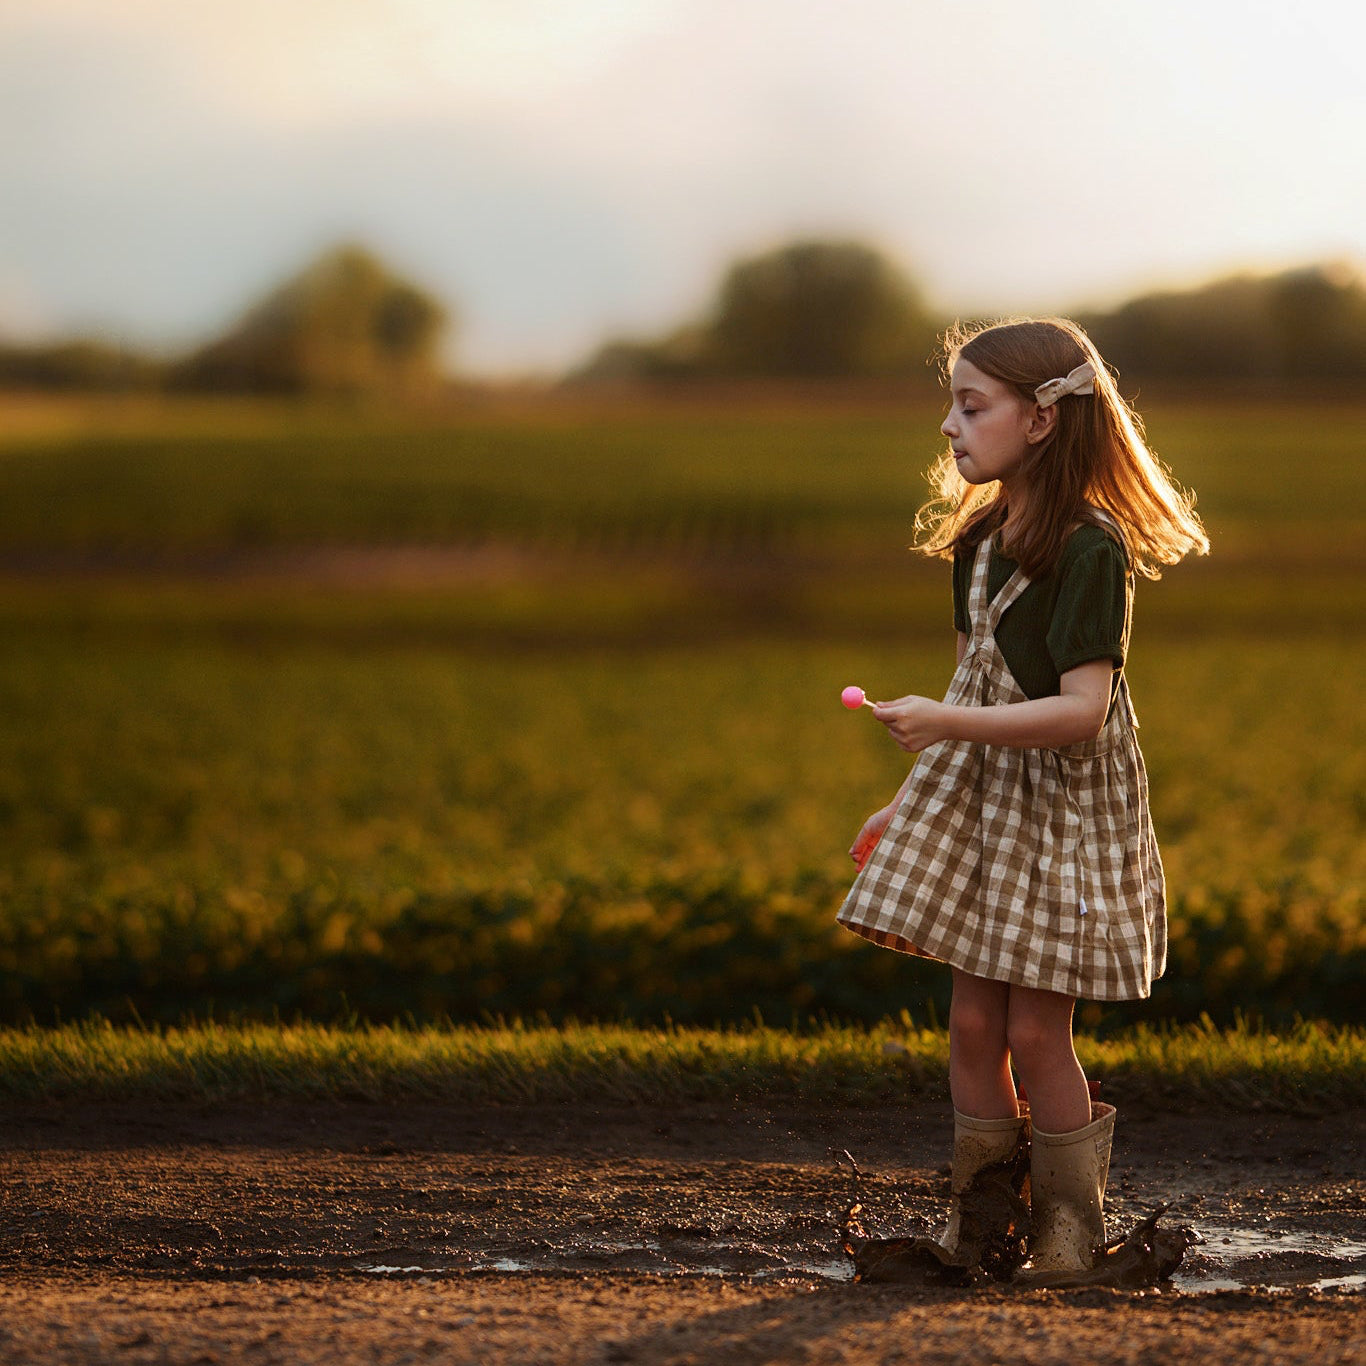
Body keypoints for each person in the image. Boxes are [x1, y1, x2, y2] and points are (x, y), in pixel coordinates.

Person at [837, 316, 1208, 1279]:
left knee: (1038, 1029)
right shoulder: (978, 542)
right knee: (969, 1024)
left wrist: (946, 728)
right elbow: (969, 691)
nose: (950, 428)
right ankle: (982, 1219)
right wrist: (907, 801)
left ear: (1041, 421)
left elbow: (1081, 711)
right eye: (951, 406)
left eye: (971, 406)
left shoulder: (1092, 551)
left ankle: (1071, 1232)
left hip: (1065, 814)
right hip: (985, 801)